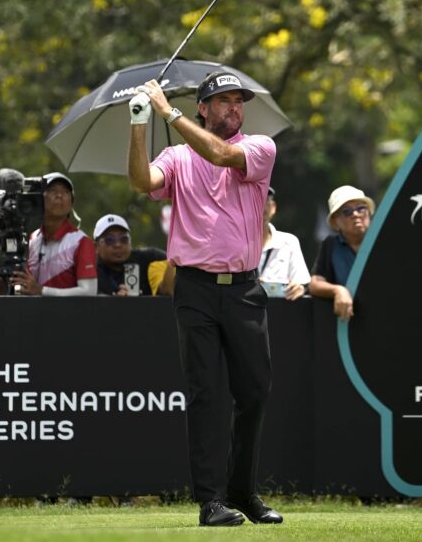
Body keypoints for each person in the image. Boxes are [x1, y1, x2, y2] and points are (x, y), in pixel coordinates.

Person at [128, 71, 282, 527]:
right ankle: (211, 501)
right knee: (205, 395)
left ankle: (243, 490)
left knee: (254, 392)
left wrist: (165, 111)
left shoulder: (259, 148)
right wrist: (139, 122)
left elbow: (219, 152)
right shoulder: (176, 156)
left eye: (239, 101)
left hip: (244, 289)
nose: (235, 108)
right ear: (203, 108)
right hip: (194, 289)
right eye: (223, 100)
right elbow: (141, 181)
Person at [8, 172, 97, 296]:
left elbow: (89, 291)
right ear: (38, 200)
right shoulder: (33, 238)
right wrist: (8, 289)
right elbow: (28, 286)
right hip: (35, 315)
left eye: (66, 192)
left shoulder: (81, 241)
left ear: (71, 202)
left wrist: (42, 291)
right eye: (52, 190)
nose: (59, 195)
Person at [308, 185, 375, 321]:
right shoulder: (331, 244)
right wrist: (338, 290)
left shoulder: (382, 240)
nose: (355, 214)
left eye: (361, 208)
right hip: (348, 323)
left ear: (369, 213)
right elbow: (315, 283)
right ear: (335, 222)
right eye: (346, 212)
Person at [93, 213, 174, 296]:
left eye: (123, 239)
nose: (118, 244)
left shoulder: (151, 258)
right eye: (109, 240)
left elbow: (168, 291)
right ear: (96, 247)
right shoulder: (91, 273)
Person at [258, 187, 310, 300]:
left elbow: (302, 282)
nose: (261, 205)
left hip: (280, 311)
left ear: (273, 207)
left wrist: (300, 287)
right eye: (255, 200)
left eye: (265, 200)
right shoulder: (233, 242)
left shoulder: (289, 241)